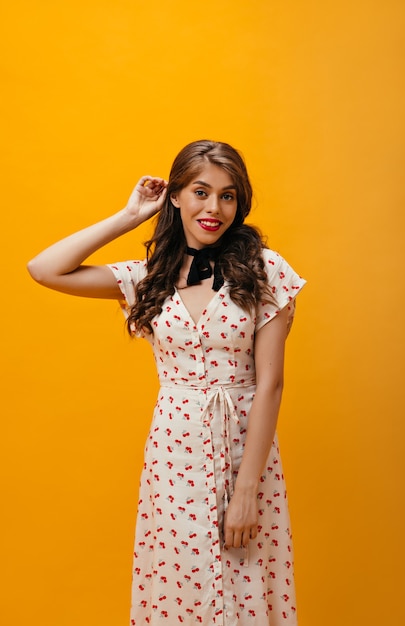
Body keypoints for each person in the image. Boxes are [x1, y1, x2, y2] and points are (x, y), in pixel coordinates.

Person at [28, 140, 306, 625]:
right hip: (174, 457)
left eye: (228, 196)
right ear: (176, 195)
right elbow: (44, 269)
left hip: (246, 450)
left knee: (246, 582)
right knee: (181, 587)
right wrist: (129, 216)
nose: (214, 208)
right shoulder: (146, 277)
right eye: (200, 192)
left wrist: (246, 490)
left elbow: (271, 385)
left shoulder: (265, 269)